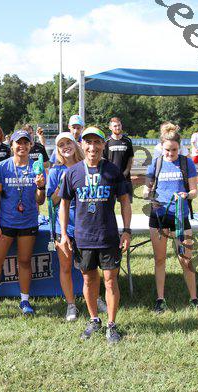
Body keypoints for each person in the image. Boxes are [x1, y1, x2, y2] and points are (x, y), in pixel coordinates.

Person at [59, 127, 132, 344]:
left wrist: (126, 231)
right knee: (89, 279)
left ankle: (111, 324)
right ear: (82, 145)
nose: (92, 147)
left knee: (110, 280)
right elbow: (64, 204)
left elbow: (125, 202)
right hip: (83, 237)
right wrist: (64, 233)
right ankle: (94, 320)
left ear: (103, 145)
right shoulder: (72, 173)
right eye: (88, 142)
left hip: (108, 235)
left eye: (97, 142)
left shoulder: (113, 171)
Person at [0, 130, 46, 318]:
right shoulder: (2, 167)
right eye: (18, 143)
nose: (22, 146)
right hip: (6, 223)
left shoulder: (36, 167)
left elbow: (40, 200)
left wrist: (41, 186)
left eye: (26, 143)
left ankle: (24, 300)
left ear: (30, 145)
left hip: (28, 221)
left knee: (25, 261)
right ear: (11, 145)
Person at [143, 122, 198, 312]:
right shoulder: (156, 162)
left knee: (186, 259)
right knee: (160, 259)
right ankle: (160, 299)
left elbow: (194, 191)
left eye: (174, 150)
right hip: (159, 217)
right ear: (161, 147)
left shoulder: (186, 162)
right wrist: (148, 195)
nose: (170, 153)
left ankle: (194, 299)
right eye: (167, 150)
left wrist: (186, 195)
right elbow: (146, 189)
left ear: (180, 147)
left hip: (180, 216)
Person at [46, 132, 84, 321]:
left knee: (89, 267)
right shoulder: (55, 171)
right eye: (61, 145)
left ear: (76, 145)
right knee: (66, 267)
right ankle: (71, 305)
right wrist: (61, 186)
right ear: (58, 150)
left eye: (68, 142)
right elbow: (51, 201)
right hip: (64, 227)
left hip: (86, 225)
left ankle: (95, 297)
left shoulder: (86, 166)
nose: (65, 147)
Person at [104, 117, 134, 202]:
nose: (117, 128)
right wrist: (108, 173)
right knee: (109, 205)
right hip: (111, 178)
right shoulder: (107, 142)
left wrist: (126, 171)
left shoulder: (127, 141)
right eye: (115, 126)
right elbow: (104, 159)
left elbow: (130, 157)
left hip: (125, 178)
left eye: (119, 125)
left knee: (126, 204)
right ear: (110, 127)